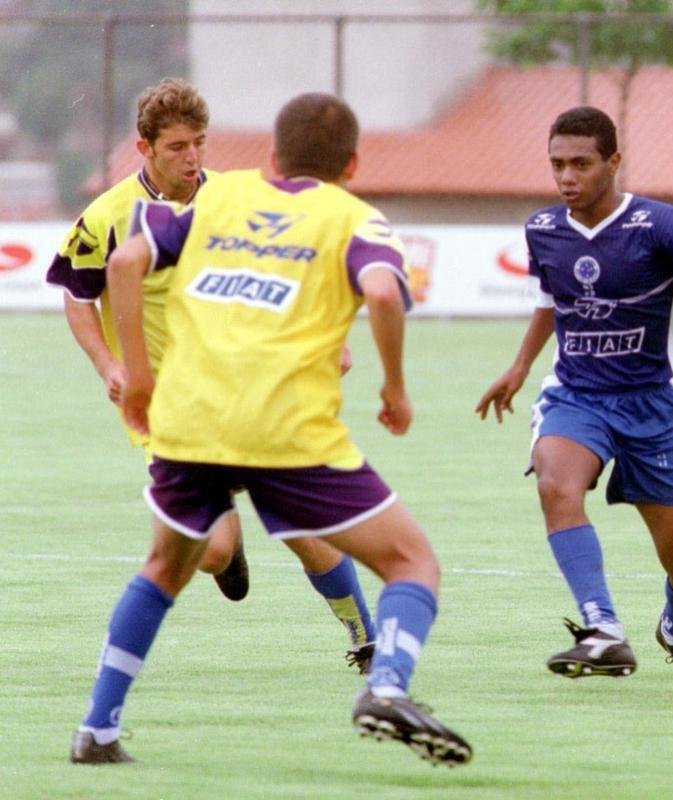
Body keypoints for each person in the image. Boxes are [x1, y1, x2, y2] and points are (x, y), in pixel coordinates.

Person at [69, 91, 471, 767]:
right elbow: (381, 293)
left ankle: (97, 730)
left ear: (274, 157)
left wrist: (135, 376)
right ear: (352, 164)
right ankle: (385, 685)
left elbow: (124, 263)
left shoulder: (218, 200)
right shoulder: (356, 218)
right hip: (284, 431)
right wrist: (395, 387)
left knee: (164, 567)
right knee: (411, 562)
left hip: (190, 420)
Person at [47, 78, 377, 671]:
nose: (192, 157)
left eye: (199, 142)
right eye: (177, 147)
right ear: (145, 148)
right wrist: (108, 364)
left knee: (303, 525)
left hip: (247, 389)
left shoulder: (235, 200)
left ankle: (365, 639)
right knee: (212, 552)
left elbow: (291, 272)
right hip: (167, 408)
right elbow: (77, 294)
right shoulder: (108, 216)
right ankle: (228, 540)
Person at [476, 106, 673, 682]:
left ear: (613, 162)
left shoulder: (666, 228)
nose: (567, 176)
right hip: (575, 395)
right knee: (555, 483)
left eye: (581, 164)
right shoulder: (543, 229)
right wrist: (519, 367)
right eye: (557, 164)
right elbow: (551, 299)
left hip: (651, 405)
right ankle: (603, 630)